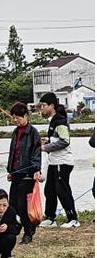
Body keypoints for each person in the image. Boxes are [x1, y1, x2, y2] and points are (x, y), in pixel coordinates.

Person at [39, 92, 79, 228]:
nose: (42, 108)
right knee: (49, 190)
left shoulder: (60, 120)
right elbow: (56, 139)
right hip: (54, 162)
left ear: (51, 105)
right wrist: (47, 140)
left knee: (62, 191)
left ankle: (73, 219)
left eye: (44, 105)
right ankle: (50, 218)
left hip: (63, 162)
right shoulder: (53, 120)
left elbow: (65, 141)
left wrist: (45, 147)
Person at [6, 102, 42, 245]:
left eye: (18, 117)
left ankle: (28, 233)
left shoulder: (32, 132)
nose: (15, 120)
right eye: (13, 117)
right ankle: (26, 226)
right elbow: (12, 153)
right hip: (16, 174)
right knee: (13, 205)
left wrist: (36, 169)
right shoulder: (15, 132)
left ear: (25, 116)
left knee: (23, 206)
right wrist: (10, 171)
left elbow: (37, 152)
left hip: (27, 174)